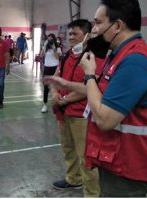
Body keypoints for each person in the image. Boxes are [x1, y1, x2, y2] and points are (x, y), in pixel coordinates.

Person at [44, 0, 147, 197]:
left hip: (127, 165)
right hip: (117, 158)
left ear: (117, 25)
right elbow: (104, 92)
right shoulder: (120, 55)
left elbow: (105, 119)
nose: (94, 30)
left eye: (98, 23)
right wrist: (66, 84)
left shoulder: (134, 62)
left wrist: (90, 74)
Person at [48, 19, 103, 196]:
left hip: (82, 115)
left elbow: (91, 86)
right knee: (68, 148)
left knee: (86, 156)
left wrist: (65, 99)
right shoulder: (66, 56)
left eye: (75, 34)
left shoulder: (92, 58)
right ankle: (73, 179)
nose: (70, 37)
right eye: (69, 34)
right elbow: (55, 78)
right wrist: (54, 93)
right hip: (64, 113)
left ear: (86, 35)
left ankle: (92, 193)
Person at [40, 34, 61, 113]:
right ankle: (45, 105)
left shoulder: (57, 48)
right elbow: (41, 55)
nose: (50, 41)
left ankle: (58, 104)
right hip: (47, 69)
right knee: (46, 88)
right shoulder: (46, 48)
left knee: (57, 87)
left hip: (55, 69)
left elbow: (57, 57)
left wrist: (54, 48)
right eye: (48, 40)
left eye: (51, 40)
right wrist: (44, 46)